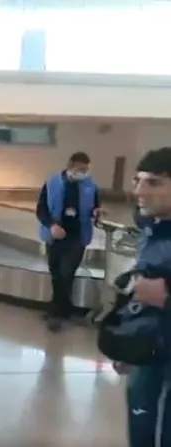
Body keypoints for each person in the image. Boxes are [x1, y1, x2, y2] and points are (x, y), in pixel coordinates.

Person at [110, 147, 171, 446]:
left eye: (154, 183)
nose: (140, 191)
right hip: (149, 351)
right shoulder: (152, 228)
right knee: (141, 427)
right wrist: (128, 343)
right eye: (138, 181)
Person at [36, 151, 101, 332]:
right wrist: (51, 226)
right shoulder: (52, 183)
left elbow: (95, 207)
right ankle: (62, 308)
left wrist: (97, 213)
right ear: (70, 166)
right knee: (56, 273)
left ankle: (56, 314)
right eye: (80, 169)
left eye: (86, 170)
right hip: (55, 236)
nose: (83, 173)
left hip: (77, 237)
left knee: (66, 272)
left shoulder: (91, 186)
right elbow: (41, 209)